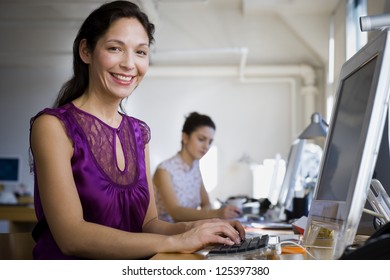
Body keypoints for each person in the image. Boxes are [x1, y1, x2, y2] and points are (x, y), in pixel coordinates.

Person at [29, 1, 244, 260]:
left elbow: (150, 225)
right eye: (115, 48)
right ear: (86, 51)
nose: (130, 64)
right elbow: (72, 238)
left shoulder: (138, 133)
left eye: (140, 52)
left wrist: (201, 227)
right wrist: (179, 240)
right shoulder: (53, 126)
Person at [153, 112, 242, 223]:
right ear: (185, 137)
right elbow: (175, 212)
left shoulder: (195, 167)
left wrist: (207, 215)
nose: (206, 146)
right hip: (166, 236)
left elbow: (206, 204)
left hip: (190, 232)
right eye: (201, 139)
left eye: (210, 142)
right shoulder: (164, 170)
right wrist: (216, 213)